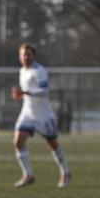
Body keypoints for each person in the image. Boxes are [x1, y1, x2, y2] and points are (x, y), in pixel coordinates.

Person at [11, 43, 71, 188]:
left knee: (52, 145)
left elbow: (44, 91)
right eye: (23, 54)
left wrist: (25, 93)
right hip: (27, 113)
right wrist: (20, 95)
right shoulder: (22, 71)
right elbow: (27, 93)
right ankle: (28, 175)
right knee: (18, 143)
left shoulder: (39, 71)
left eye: (28, 54)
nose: (25, 57)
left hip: (43, 115)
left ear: (34, 55)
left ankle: (65, 172)